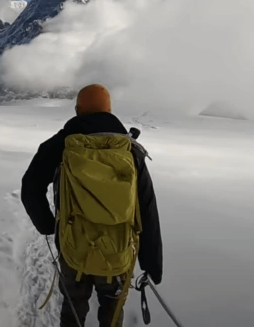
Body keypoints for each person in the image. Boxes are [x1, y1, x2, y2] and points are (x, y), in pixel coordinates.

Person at [20, 84, 163, 327]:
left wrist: (47, 226)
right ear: (109, 111)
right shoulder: (130, 151)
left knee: (73, 304)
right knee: (112, 309)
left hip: (73, 246)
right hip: (118, 251)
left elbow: (30, 188)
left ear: (78, 111)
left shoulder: (60, 145)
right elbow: (147, 207)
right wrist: (151, 265)